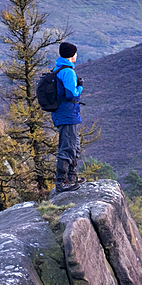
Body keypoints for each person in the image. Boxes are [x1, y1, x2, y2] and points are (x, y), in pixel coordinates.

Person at [51, 41, 84, 193]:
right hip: (67, 113)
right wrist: (80, 86)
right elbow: (72, 93)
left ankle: (71, 178)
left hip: (64, 113)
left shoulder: (58, 69)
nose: (76, 55)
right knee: (68, 147)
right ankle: (62, 183)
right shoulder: (68, 72)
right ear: (72, 55)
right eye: (75, 53)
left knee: (74, 145)